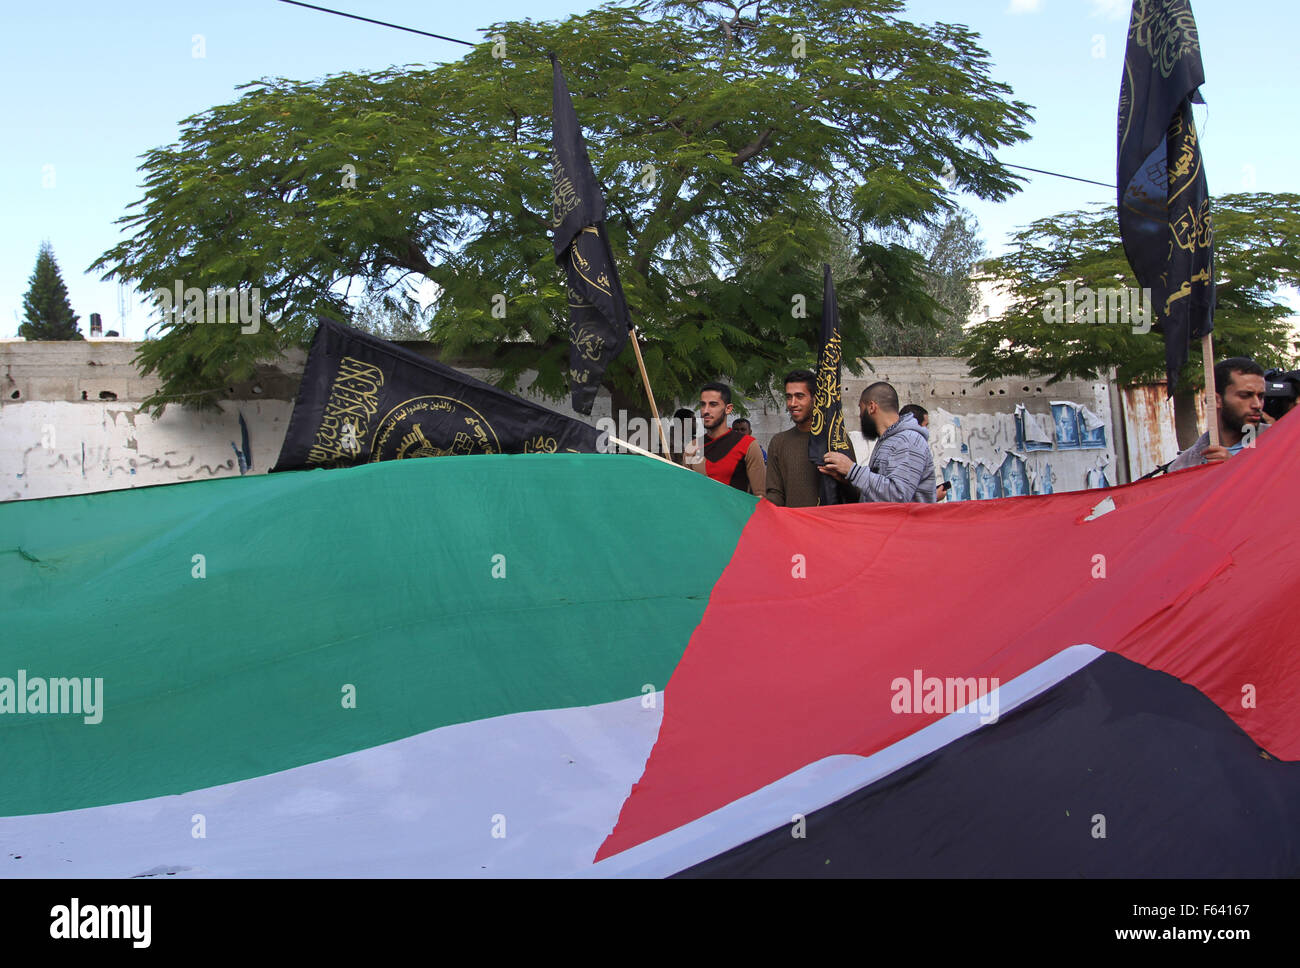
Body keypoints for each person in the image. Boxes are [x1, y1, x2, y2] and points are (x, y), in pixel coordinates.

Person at [819, 381, 936, 503]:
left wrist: (852, 470)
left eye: (861, 408)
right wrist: (848, 480)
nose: (860, 416)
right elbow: (879, 498)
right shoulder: (890, 440)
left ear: (871, 407)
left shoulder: (908, 440)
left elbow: (898, 497)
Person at [1168, 357, 1266, 471]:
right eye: (1245, 395)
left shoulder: (1281, 442)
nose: (1257, 404)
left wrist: (1235, 468)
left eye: (1261, 396)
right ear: (1216, 400)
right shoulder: (1183, 466)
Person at [684, 383, 766, 495]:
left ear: (728, 409)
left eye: (713, 404)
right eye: (703, 405)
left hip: (737, 511)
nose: (705, 410)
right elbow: (686, 491)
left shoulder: (748, 445)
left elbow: (760, 495)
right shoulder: (692, 447)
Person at [764, 370, 824, 507]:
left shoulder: (835, 440)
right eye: (789, 397)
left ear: (814, 398)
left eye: (800, 396)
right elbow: (775, 494)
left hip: (827, 525)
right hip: (790, 526)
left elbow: (852, 493)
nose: (792, 403)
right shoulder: (779, 442)